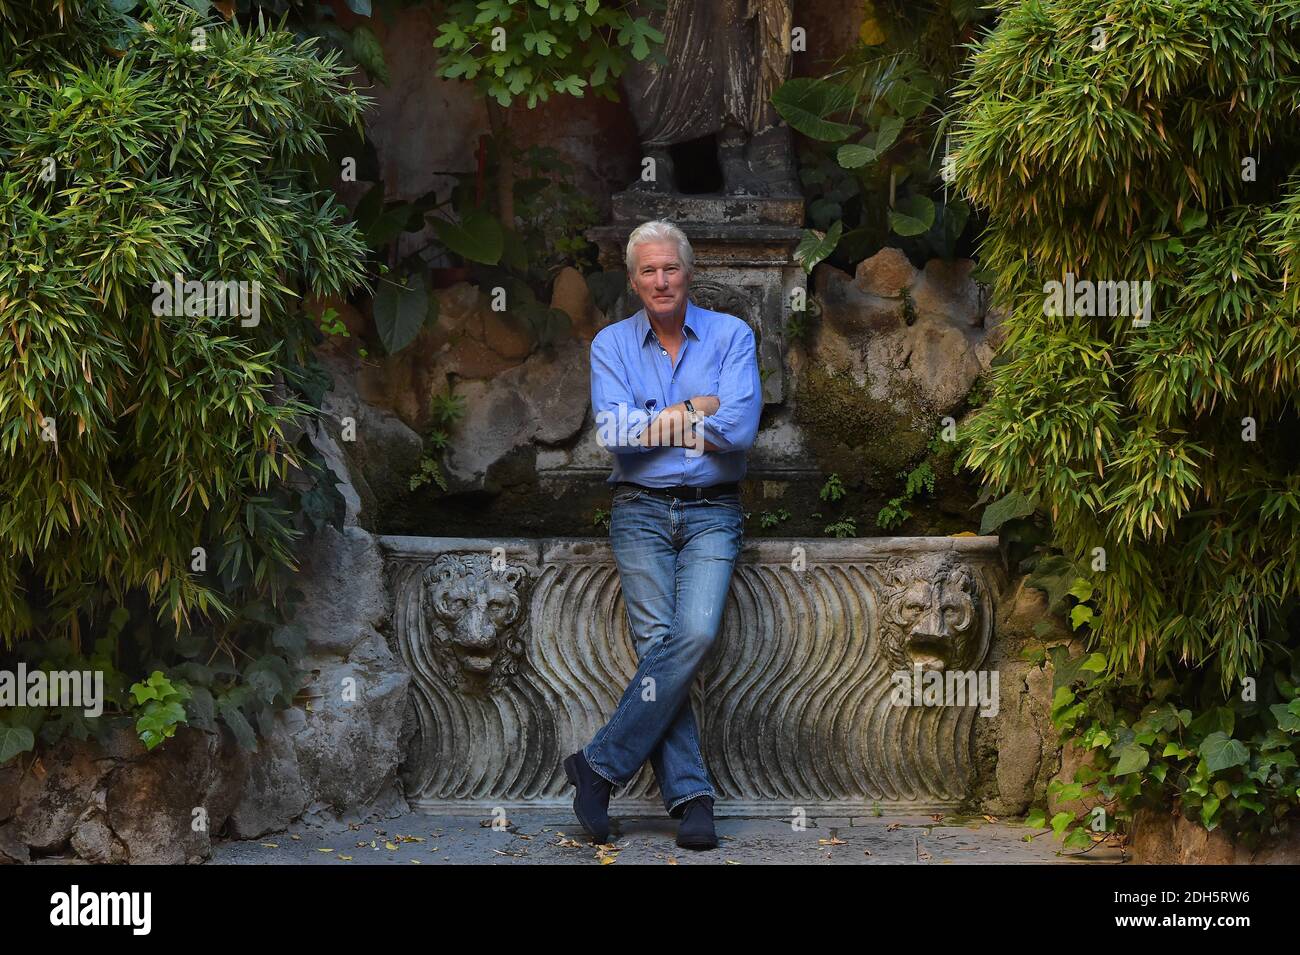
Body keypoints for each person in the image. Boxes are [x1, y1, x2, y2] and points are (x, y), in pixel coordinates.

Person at [563, 220, 763, 850]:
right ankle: (693, 796)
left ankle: (597, 767)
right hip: (639, 511)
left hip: (713, 510)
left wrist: (656, 421)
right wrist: (693, 409)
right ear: (632, 280)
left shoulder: (732, 336)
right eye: (647, 271)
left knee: (693, 633)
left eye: (670, 268)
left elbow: (739, 430)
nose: (660, 280)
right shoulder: (610, 345)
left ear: (689, 270)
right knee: (659, 644)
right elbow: (614, 435)